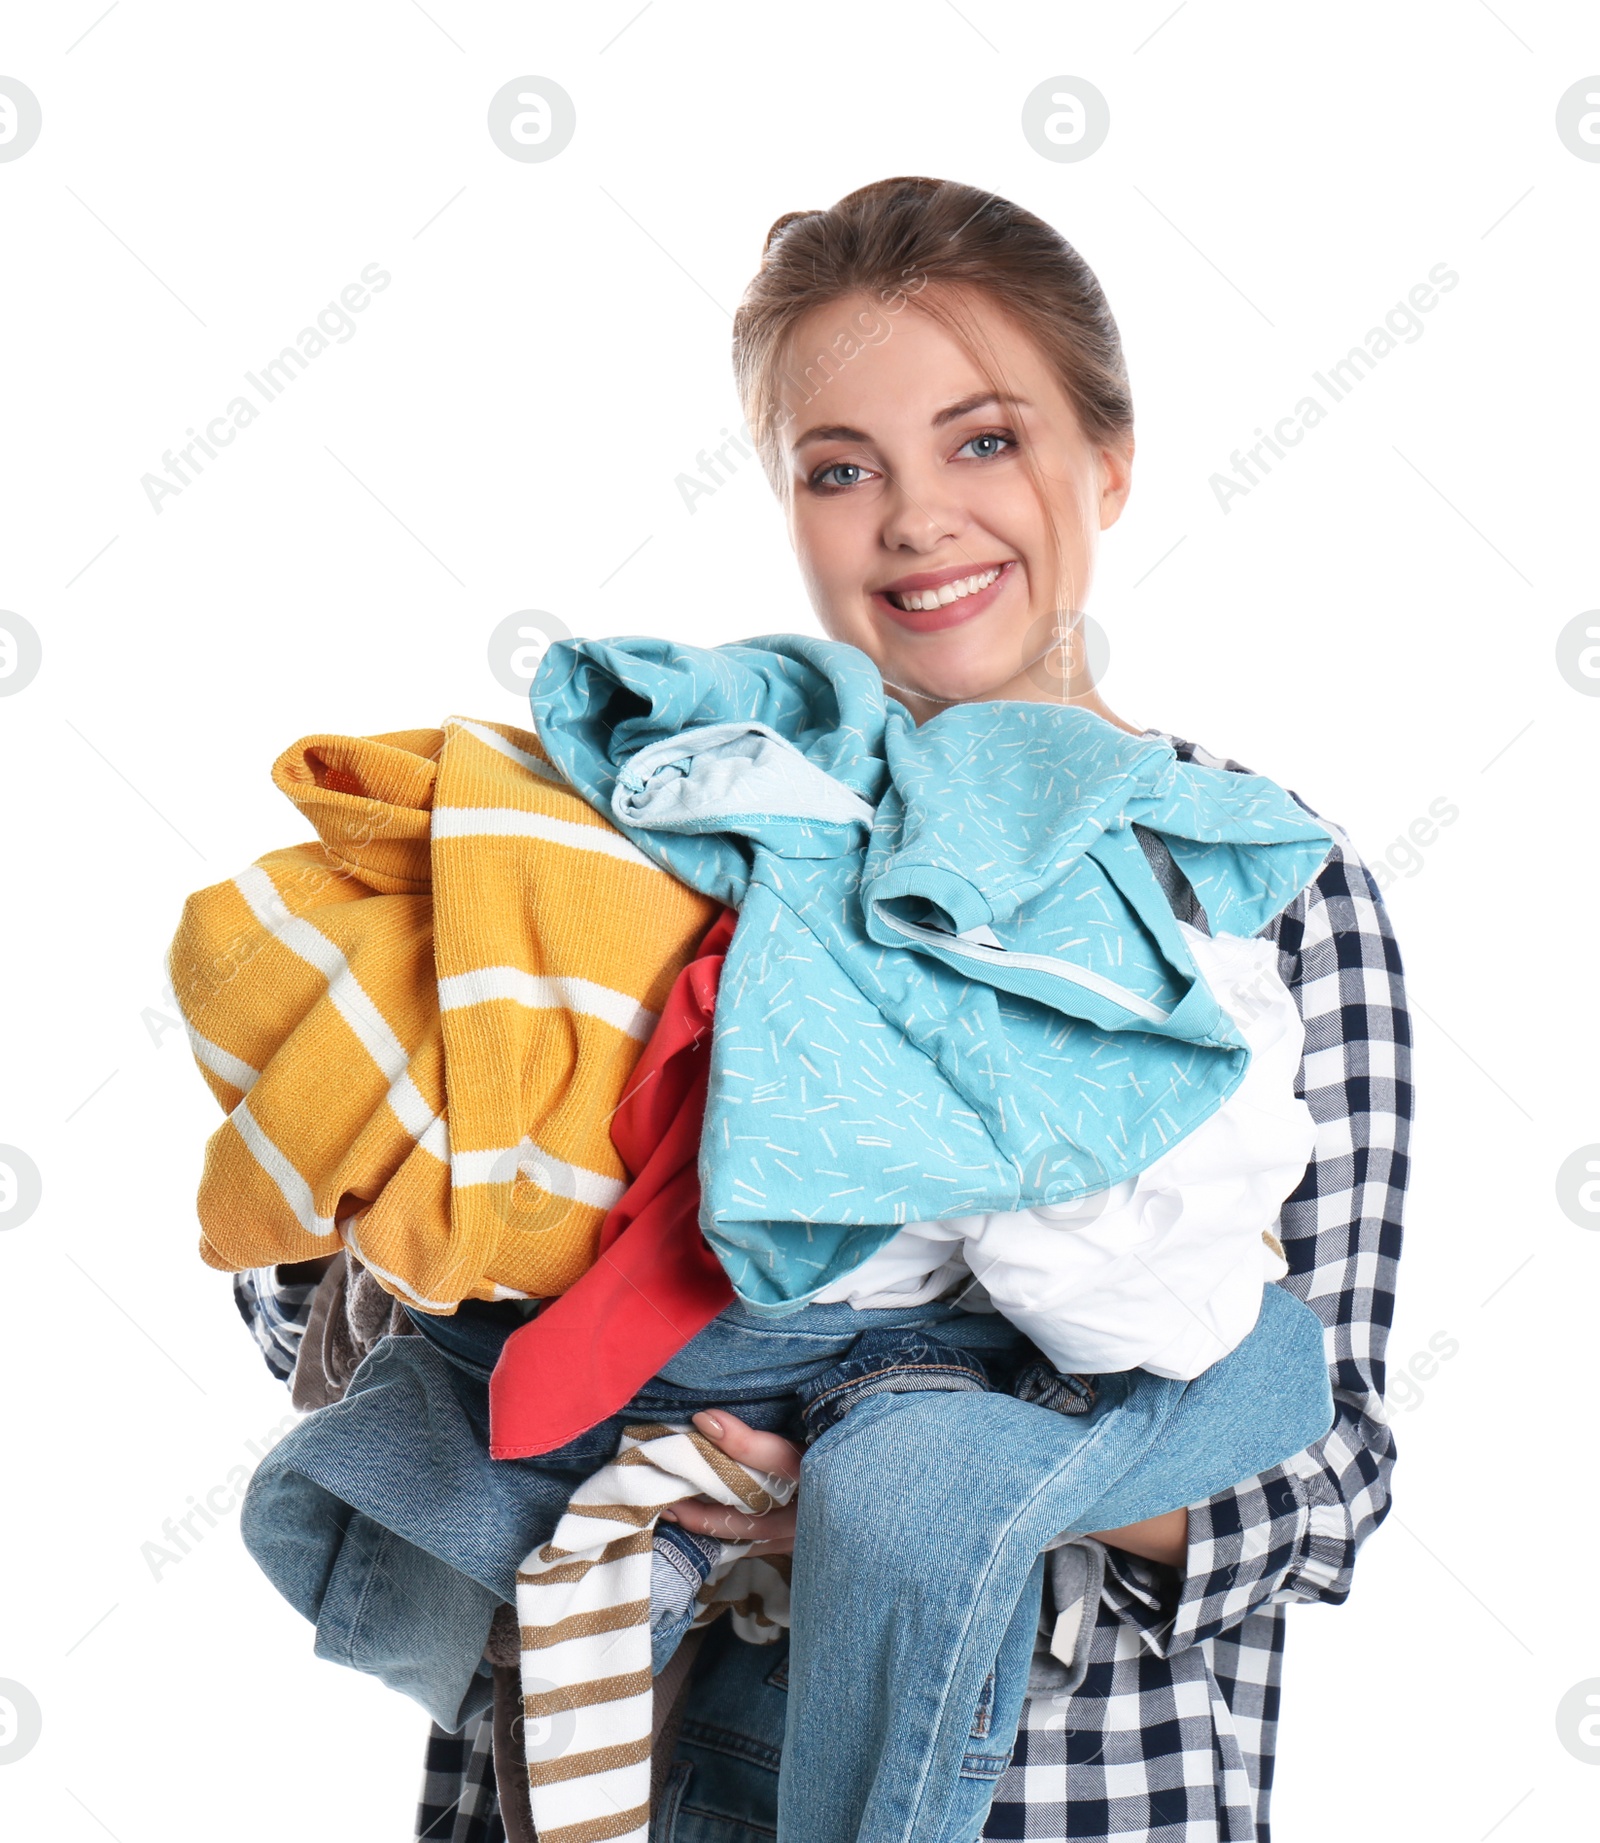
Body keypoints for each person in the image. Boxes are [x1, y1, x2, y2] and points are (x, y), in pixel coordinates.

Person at [640, 175, 1410, 1842]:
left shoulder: (1263, 883)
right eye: (843, 470)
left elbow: (1329, 1483)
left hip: (1086, 1793)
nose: (917, 517)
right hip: (640, 1762)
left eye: (982, 440)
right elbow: (338, 1285)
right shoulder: (695, 830)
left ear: (1107, 463)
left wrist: (921, 1483)